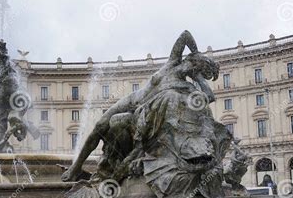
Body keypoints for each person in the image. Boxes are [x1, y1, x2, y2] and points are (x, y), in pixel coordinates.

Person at [62, 30, 219, 182]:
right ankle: (76, 167)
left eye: (197, 70)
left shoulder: (186, 86)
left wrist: (198, 77)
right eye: (194, 65)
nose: (192, 69)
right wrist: (197, 52)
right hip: (133, 100)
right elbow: (185, 35)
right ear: (190, 59)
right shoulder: (173, 62)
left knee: (116, 123)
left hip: (141, 113)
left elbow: (209, 97)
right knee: (100, 125)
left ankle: (123, 163)